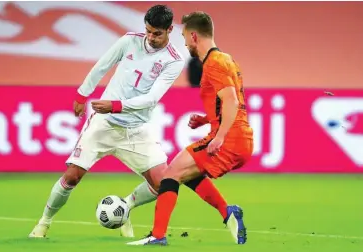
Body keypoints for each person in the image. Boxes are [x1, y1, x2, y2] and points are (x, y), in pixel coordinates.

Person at [29, 5, 232, 239]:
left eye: (157, 33)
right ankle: (44, 223)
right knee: (72, 176)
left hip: (136, 129)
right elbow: (102, 66)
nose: (151, 37)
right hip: (104, 124)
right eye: (148, 31)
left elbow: (151, 99)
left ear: (169, 30)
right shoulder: (129, 41)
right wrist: (82, 94)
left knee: (162, 183)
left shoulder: (173, 60)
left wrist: (115, 104)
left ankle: (124, 207)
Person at [127, 11, 254, 246]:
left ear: (194, 36)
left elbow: (232, 102)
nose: (184, 43)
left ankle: (158, 235)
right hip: (240, 138)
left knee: (170, 174)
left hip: (229, 138)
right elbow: (231, 102)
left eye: (185, 37)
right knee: (185, 174)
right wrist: (207, 120)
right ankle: (228, 212)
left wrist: (220, 136)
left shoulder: (214, 63)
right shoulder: (226, 59)